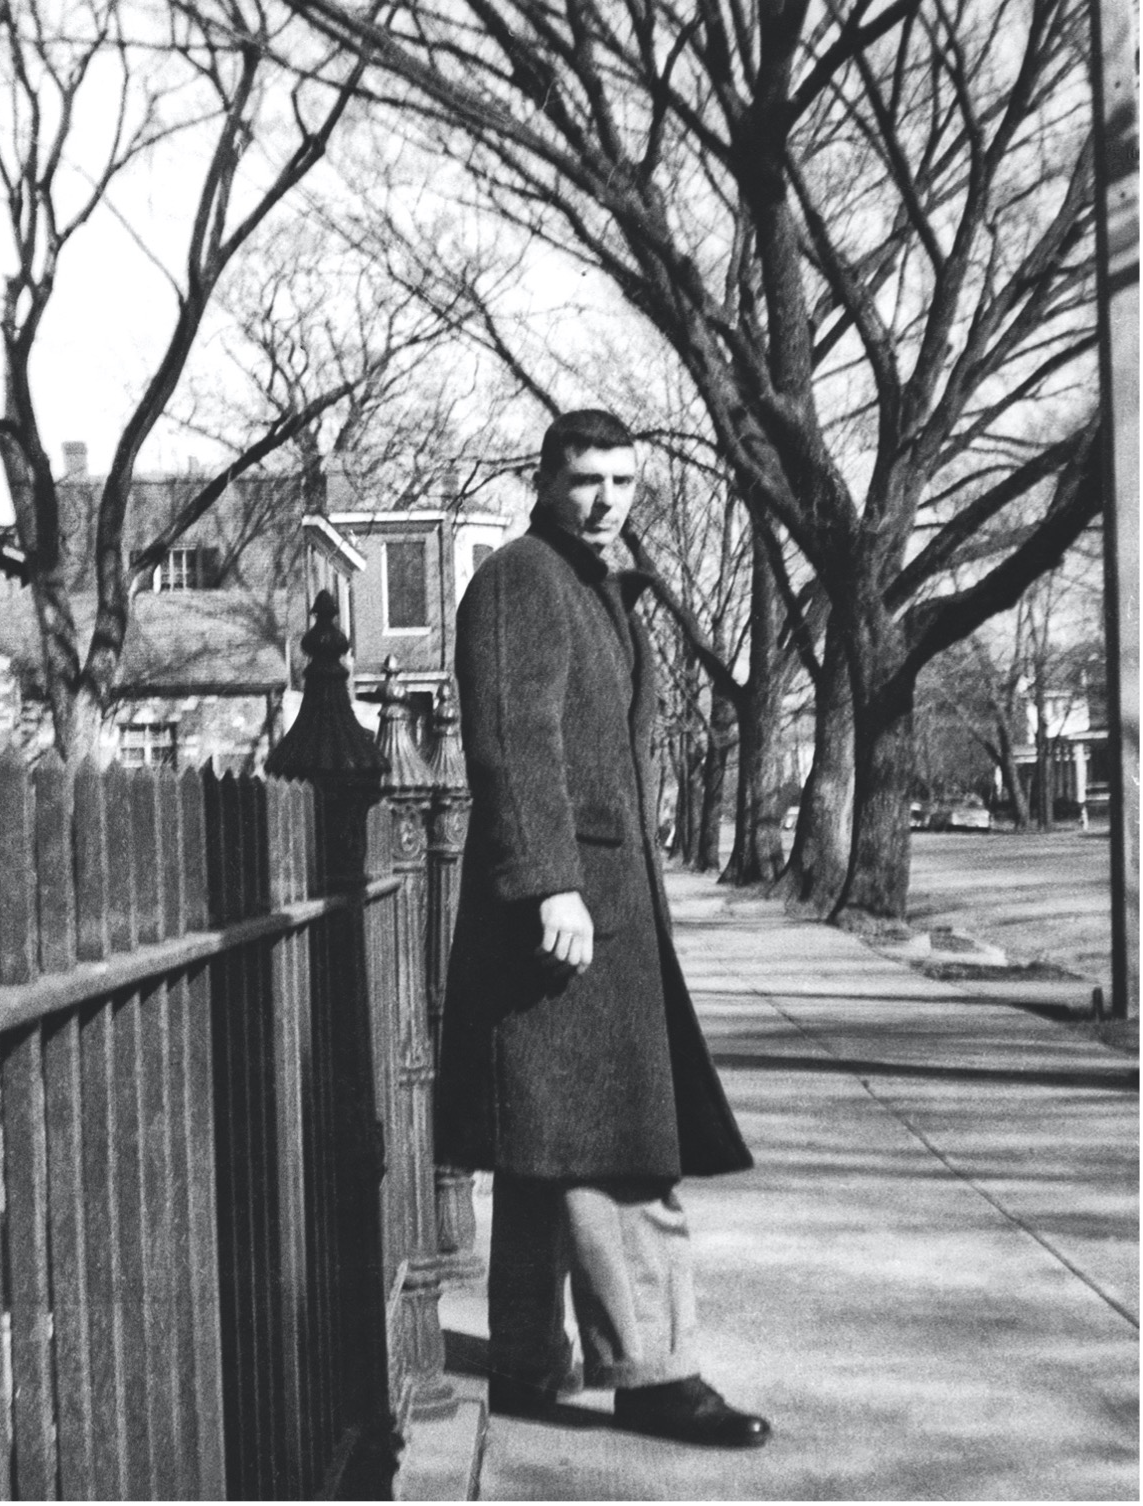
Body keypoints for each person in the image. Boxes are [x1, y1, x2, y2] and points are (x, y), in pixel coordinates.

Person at [437, 409, 770, 1449]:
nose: (605, 499)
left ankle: (535, 1359)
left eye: (623, 481)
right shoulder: (523, 579)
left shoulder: (597, 589)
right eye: (585, 479)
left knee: (552, 1140)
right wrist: (550, 883)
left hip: (600, 911)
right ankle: (657, 1373)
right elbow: (510, 738)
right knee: (616, 1145)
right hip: (564, 914)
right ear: (545, 479)